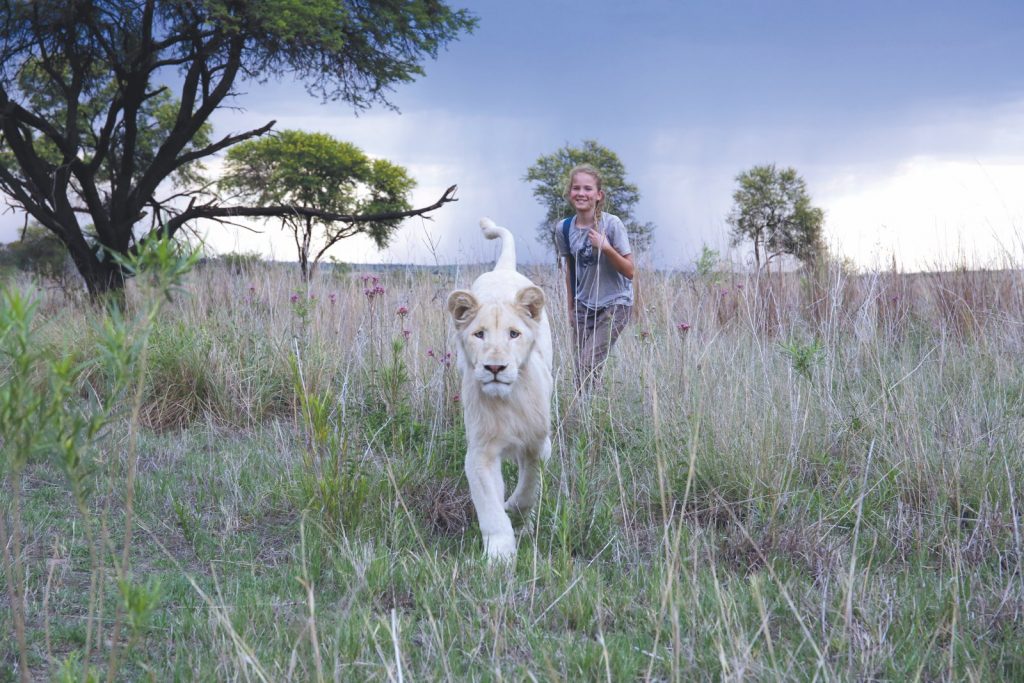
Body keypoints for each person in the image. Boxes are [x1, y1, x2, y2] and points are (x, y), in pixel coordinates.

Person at [553, 164, 634, 390]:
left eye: (588, 189)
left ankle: (591, 415)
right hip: (583, 307)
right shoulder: (564, 228)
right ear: (570, 193)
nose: (581, 193)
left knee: (587, 364)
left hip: (615, 304)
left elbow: (630, 271)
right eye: (576, 188)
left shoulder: (612, 224)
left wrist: (606, 247)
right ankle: (589, 419)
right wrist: (571, 308)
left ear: (598, 195)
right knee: (582, 370)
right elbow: (570, 269)